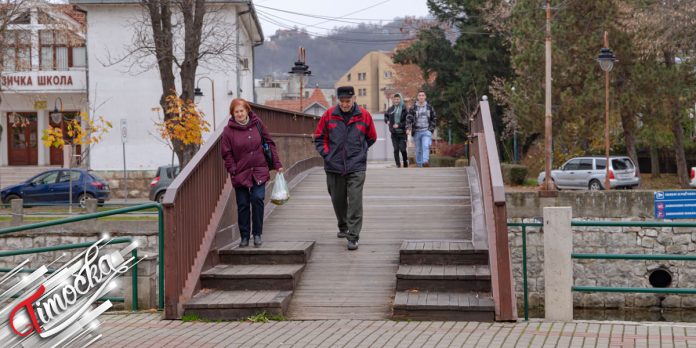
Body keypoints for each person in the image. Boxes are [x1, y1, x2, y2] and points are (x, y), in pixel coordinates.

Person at [313, 86, 377, 250]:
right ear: (337, 100)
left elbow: (371, 137)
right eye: (342, 101)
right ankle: (343, 226)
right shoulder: (328, 115)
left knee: (355, 200)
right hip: (334, 165)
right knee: (337, 199)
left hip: (356, 165)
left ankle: (353, 236)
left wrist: (360, 152)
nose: (345, 104)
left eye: (348, 101)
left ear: (354, 99)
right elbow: (319, 138)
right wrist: (327, 155)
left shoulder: (364, 115)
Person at [221, 98, 283, 247]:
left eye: (242, 110)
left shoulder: (257, 124)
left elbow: (269, 143)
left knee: (257, 199)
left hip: (259, 169)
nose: (240, 114)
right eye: (236, 112)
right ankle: (244, 236)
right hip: (240, 171)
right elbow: (226, 153)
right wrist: (233, 170)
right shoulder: (228, 131)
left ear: (247, 110)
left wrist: (277, 164)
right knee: (242, 204)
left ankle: (257, 234)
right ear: (232, 114)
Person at [407, 91, 437, 167]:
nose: (421, 97)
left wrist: (430, 130)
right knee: (418, 150)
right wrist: (408, 128)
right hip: (416, 131)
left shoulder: (429, 107)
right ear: (417, 97)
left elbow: (434, 118)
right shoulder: (413, 107)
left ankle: (425, 162)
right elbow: (409, 118)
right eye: (419, 95)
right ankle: (420, 165)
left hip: (426, 131)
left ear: (425, 97)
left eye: (422, 95)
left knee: (426, 146)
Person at [385, 93, 409, 168]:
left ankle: (405, 162)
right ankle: (398, 164)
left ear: (400, 99)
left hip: (402, 133)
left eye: (398, 99)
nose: (396, 100)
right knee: (396, 149)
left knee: (403, 149)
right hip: (394, 133)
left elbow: (407, 121)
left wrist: (399, 125)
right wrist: (387, 121)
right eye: (395, 99)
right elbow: (386, 116)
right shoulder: (390, 109)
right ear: (393, 100)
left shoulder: (404, 109)